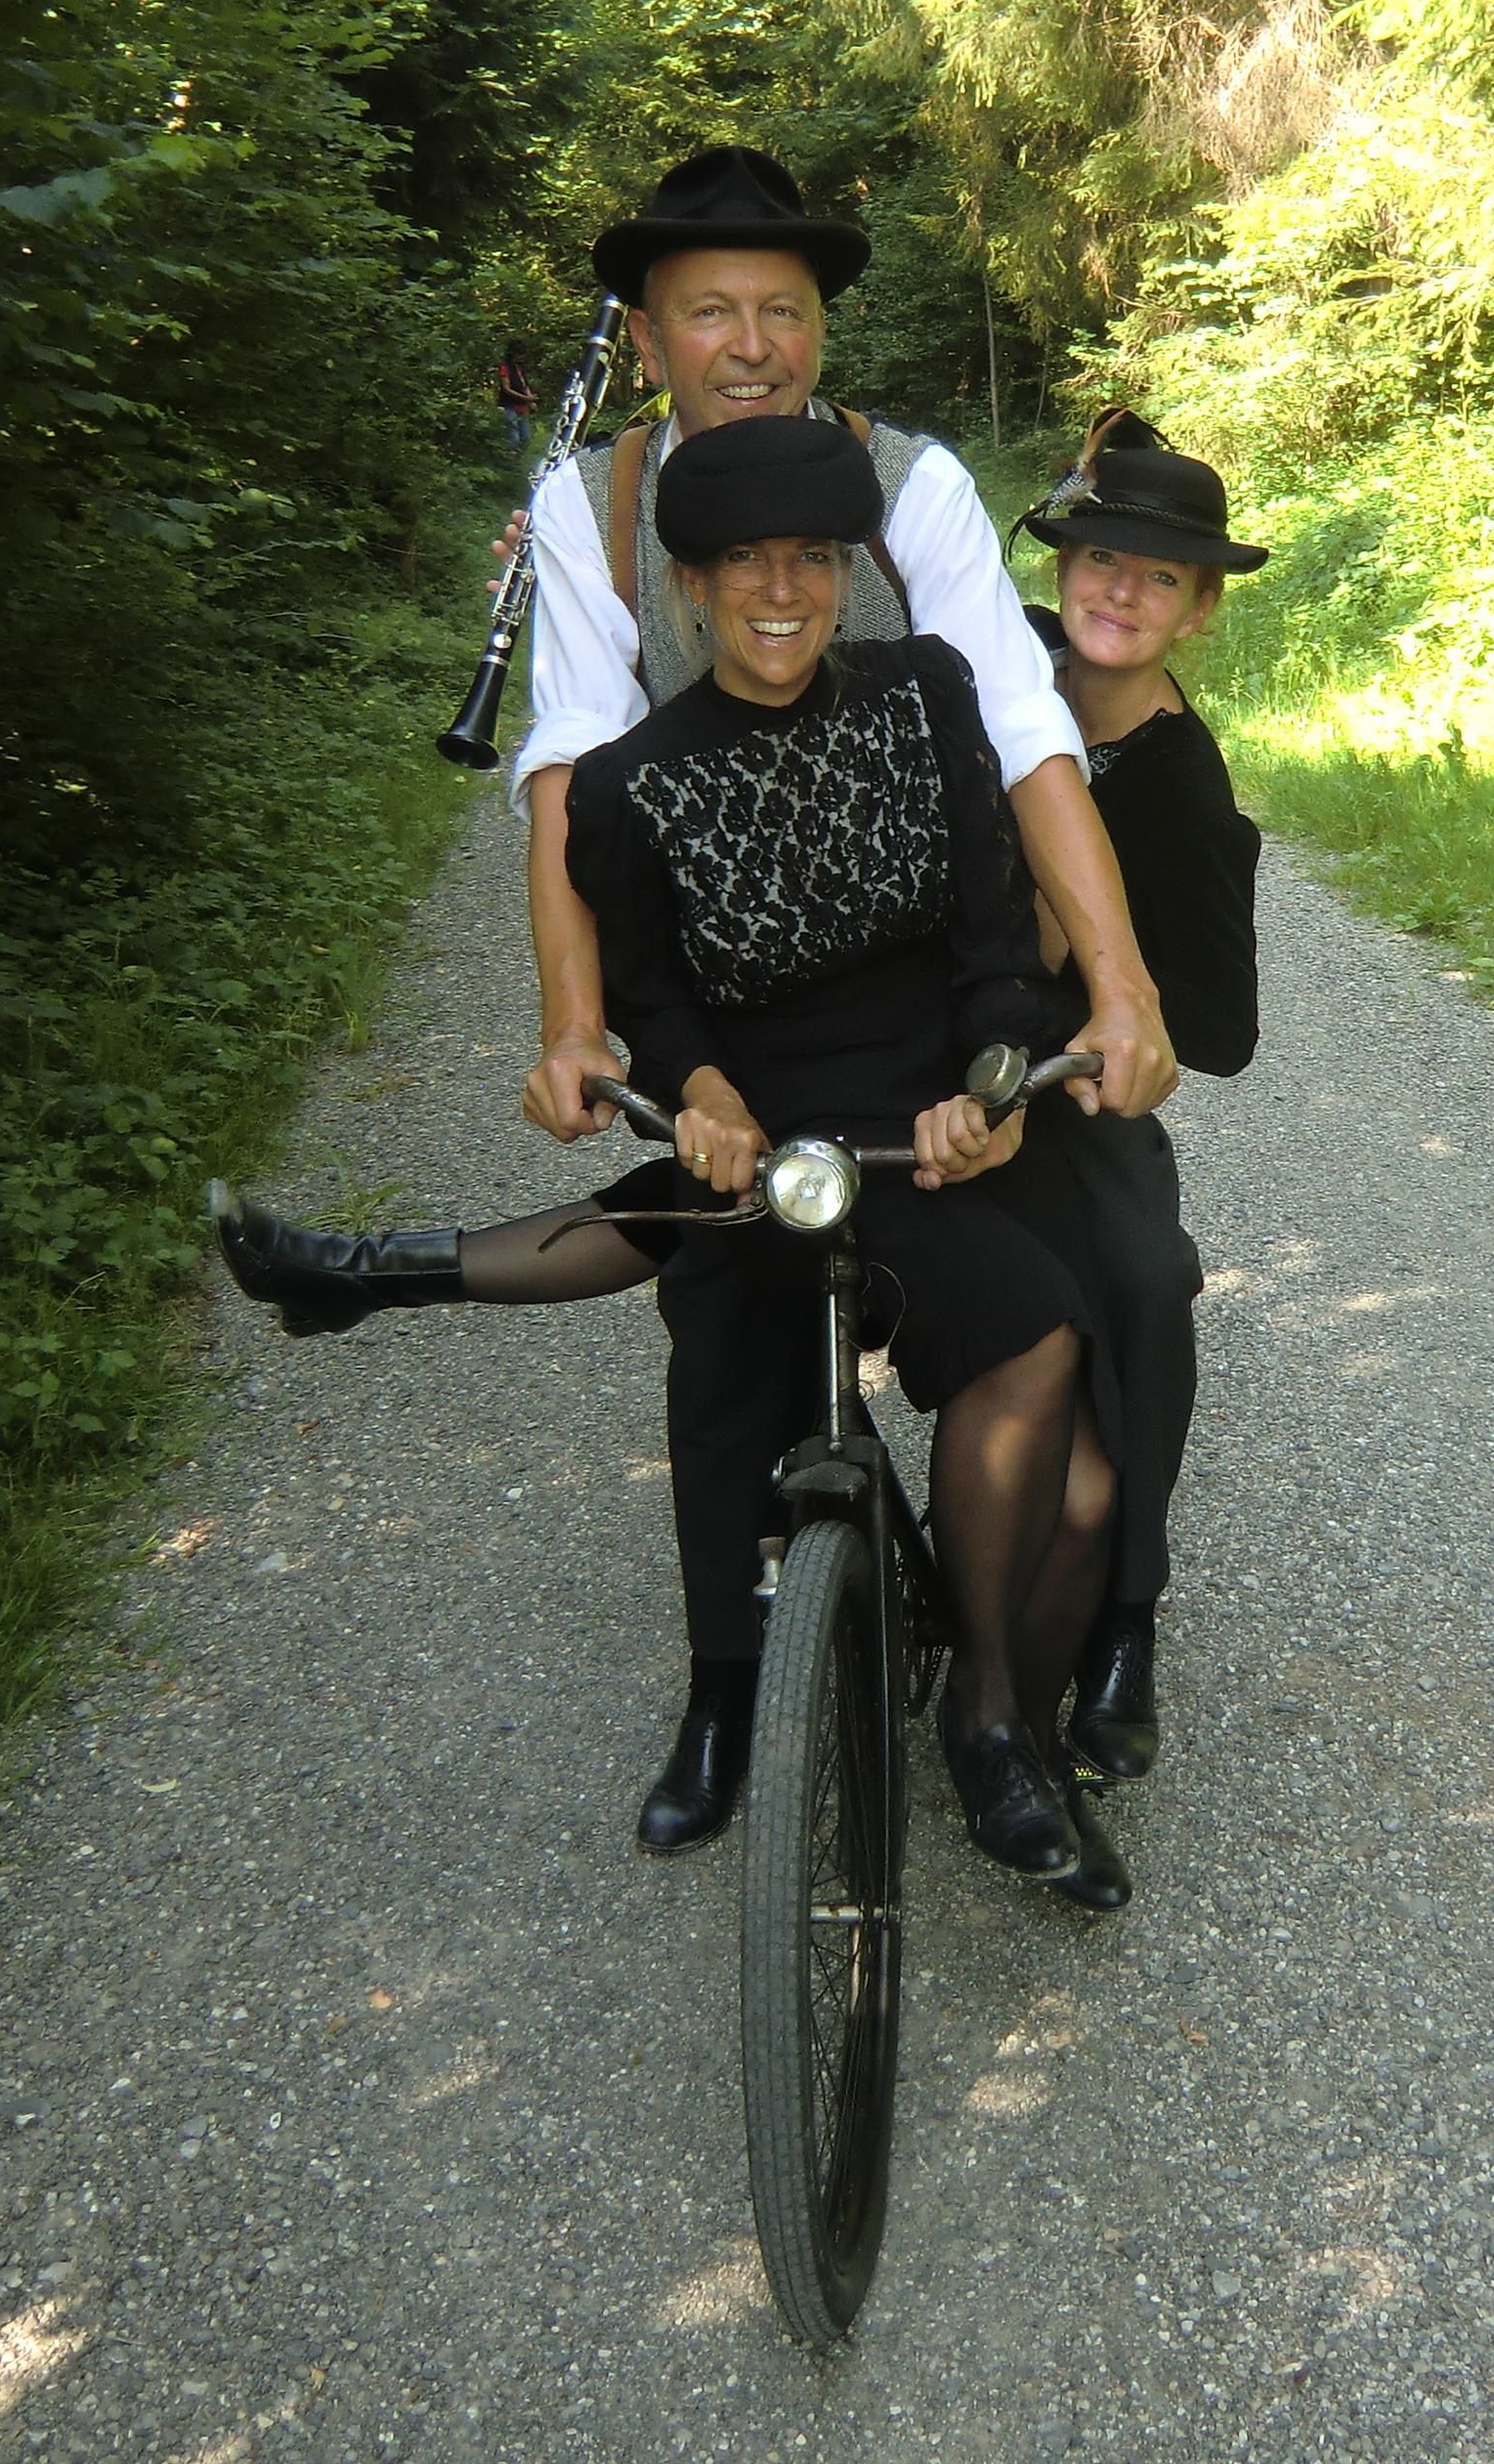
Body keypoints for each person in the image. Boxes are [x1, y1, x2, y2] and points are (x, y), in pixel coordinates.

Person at [500, 146, 1174, 1852]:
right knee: (723, 1319)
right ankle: (735, 1683)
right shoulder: (589, 509)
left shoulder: (912, 485)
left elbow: (1024, 729)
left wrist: (1117, 979)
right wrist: (578, 1025)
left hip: (954, 1021)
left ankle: (1096, 1635)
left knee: (1123, 1285)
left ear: (818, 327)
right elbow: (571, 766)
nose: (750, 342)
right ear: (648, 332)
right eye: (709, 309)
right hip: (734, 1028)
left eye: (782, 310)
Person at [566, 413, 1127, 1902]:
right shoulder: (630, 785)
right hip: (757, 1136)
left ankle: (991, 1703)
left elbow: (992, 941)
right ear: (689, 587)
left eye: (810, 557)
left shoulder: (926, 693)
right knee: (721, 1369)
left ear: (842, 575)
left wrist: (992, 1081)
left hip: (914, 1122)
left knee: (1032, 1337)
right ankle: (720, 1694)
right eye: (743, 561)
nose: (781, 589)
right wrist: (698, 1092)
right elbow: (649, 993)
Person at [995, 417, 1265, 1788]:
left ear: (1200, 611)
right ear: (1064, 566)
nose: (1120, 593)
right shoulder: (995, 671)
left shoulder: (1181, 784)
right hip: (924, 1057)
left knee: (1150, 1276)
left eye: (1161, 579)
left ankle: (1127, 1623)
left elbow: (1223, 1033)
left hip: (1060, 1093)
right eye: (1101, 559)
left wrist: (1121, 1005)